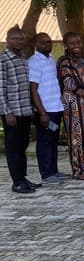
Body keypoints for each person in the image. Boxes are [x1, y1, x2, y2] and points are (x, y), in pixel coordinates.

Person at [57, 32, 84, 180]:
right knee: (77, 136)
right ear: (66, 45)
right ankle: (78, 170)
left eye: (78, 43)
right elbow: (70, 84)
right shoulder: (64, 63)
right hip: (74, 103)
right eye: (72, 43)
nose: (76, 46)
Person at [1, 26, 38, 193]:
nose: (19, 41)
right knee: (13, 148)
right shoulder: (3, 60)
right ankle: (17, 182)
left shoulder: (23, 58)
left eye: (21, 39)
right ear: (7, 40)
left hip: (25, 110)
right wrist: (7, 112)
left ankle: (22, 178)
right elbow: (0, 88)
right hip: (12, 112)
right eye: (15, 39)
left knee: (22, 146)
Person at [28, 32, 67, 184]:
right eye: (43, 42)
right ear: (36, 44)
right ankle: (46, 174)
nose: (47, 45)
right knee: (44, 141)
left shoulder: (51, 59)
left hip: (56, 107)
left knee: (53, 140)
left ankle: (54, 171)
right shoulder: (34, 62)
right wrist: (42, 112)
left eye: (49, 42)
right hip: (45, 110)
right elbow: (33, 89)